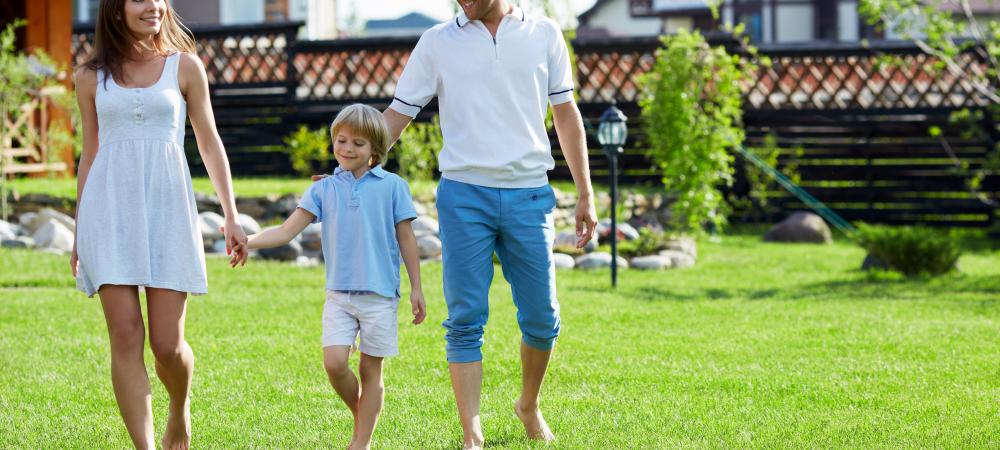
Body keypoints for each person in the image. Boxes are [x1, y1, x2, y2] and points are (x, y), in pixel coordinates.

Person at [381, 1, 598, 447]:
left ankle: (529, 404)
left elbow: (565, 113)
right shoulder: (438, 42)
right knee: (465, 319)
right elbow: (398, 114)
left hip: (529, 195)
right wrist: (351, 165)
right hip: (463, 195)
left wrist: (586, 192)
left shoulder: (545, 34)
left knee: (542, 317)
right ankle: (471, 435)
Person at [71, 0, 248, 448]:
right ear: (115, 9)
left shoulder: (185, 67)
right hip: (108, 212)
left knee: (167, 346)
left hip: (167, 209)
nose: (152, 5)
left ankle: (179, 408)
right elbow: (89, 153)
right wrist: (79, 227)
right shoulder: (90, 77)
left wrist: (231, 214)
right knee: (125, 334)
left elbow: (208, 141)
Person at [233, 104, 427, 450]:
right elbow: (286, 230)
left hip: (380, 295)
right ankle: (364, 413)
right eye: (341, 140)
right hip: (339, 294)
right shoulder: (323, 190)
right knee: (334, 363)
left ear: (376, 151)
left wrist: (416, 288)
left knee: (372, 372)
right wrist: (250, 241)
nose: (348, 149)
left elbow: (407, 238)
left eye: (358, 143)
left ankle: (360, 443)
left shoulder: (393, 186)